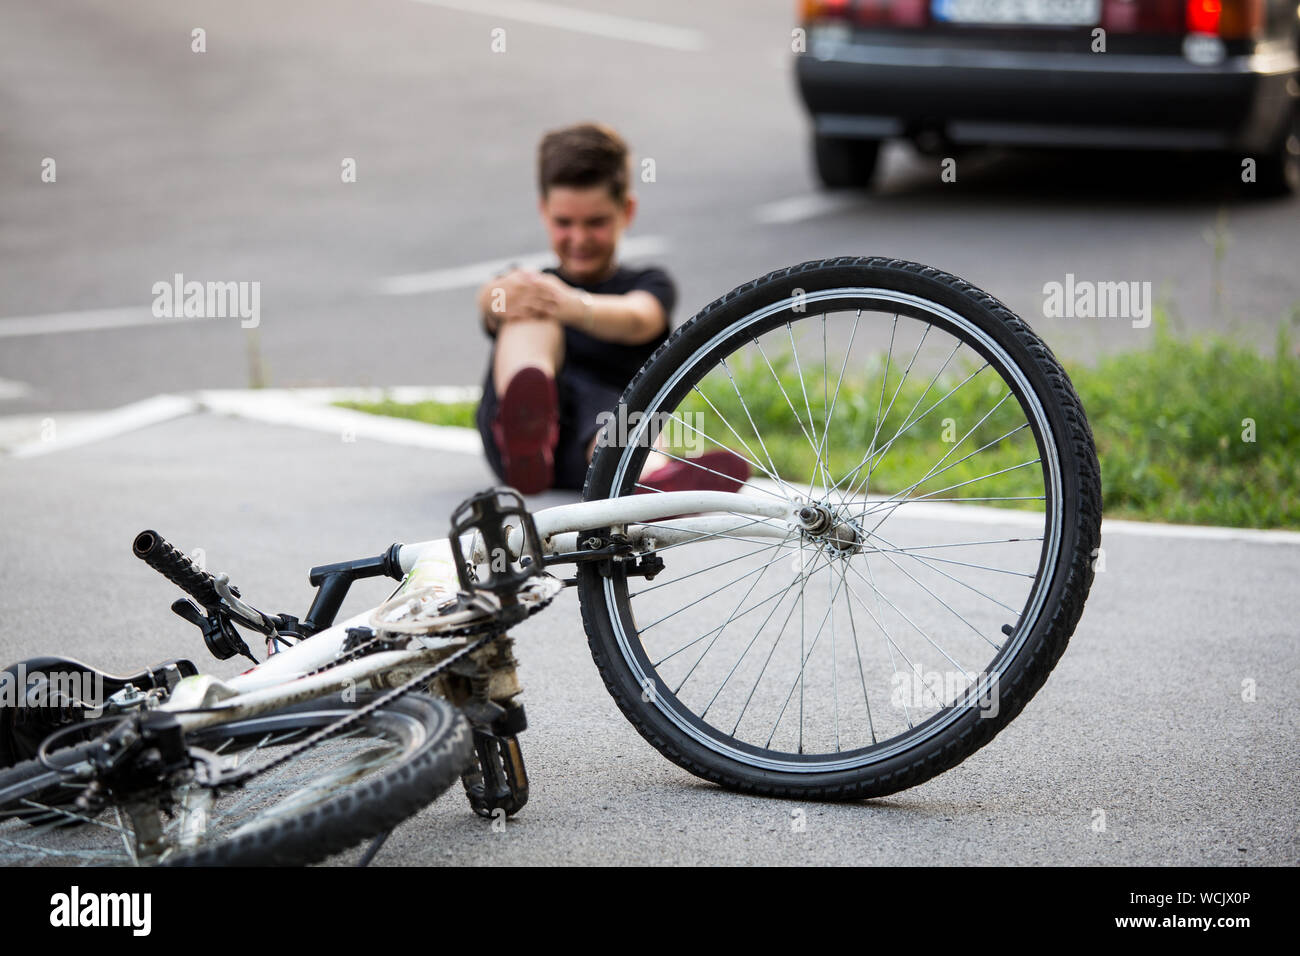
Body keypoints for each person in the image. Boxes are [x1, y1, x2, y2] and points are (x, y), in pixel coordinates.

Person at [474, 122, 748, 496]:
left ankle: (649, 480)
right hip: (521, 461)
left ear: (627, 211)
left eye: (596, 222)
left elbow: (640, 318)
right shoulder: (535, 288)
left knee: (617, 413)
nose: (580, 238)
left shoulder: (649, 283)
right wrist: (496, 294)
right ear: (544, 212)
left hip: (603, 453)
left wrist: (574, 305)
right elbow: (493, 298)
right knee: (530, 306)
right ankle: (525, 426)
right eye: (564, 223)